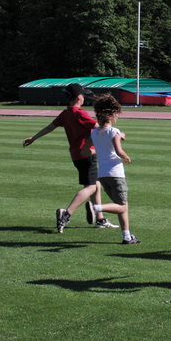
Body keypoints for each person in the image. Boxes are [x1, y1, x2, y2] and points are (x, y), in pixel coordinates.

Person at [22, 83, 115, 232]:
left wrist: (34, 138)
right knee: (91, 187)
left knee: (95, 185)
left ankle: (100, 219)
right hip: (87, 153)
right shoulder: (80, 113)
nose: (84, 97)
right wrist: (111, 126)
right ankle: (67, 213)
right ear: (79, 97)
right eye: (83, 95)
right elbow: (99, 127)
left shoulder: (65, 113)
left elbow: (49, 127)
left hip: (75, 155)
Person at [90, 94, 139, 244]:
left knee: (121, 205)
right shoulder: (114, 131)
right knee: (122, 206)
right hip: (116, 173)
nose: (117, 117)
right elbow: (118, 150)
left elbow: (88, 150)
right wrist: (126, 157)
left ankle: (127, 236)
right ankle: (96, 209)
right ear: (111, 115)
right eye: (117, 114)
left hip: (103, 174)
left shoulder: (94, 132)